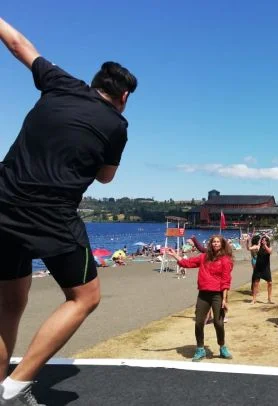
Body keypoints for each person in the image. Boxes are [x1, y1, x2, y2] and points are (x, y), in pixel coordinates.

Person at [0, 17, 137, 405]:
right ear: (124, 96)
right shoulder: (117, 124)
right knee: (85, 297)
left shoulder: (60, 82)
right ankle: (15, 387)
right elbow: (106, 179)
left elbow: (17, 43)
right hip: (51, 213)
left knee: (10, 302)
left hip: (3, 201)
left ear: (94, 83)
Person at [166, 236, 233, 361]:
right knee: (199, 322)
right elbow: (188, 263)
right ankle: (200, 349)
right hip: (203, 294)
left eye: (218, 242)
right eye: (214, 241)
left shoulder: (226, 260)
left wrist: (224, 299)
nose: (215, 244)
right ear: (211, 244)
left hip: (217, 295)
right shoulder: (204, 257)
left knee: (218, 323)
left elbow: (226, 281)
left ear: (222, 244)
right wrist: (174, 255)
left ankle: (222, 347)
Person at [247, 234, 273, 305]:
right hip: (258, 268)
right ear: (261, 241)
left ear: (267, 242)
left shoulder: (270, 247)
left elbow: (270, 252)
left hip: (266, 268)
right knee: (256, 283)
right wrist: (247, 241)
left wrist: (265, 246)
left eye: (265, 240)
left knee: (270, 283)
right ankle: (254, 299)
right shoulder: (258, 247)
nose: (263, 241)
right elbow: (248, 248)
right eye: (262, 240)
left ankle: (269, 299)